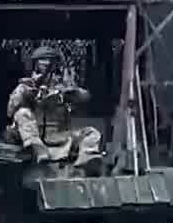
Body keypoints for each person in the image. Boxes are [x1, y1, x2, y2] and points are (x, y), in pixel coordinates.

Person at [7, 46, 104, 174]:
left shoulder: (62, 86)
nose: (47, 66)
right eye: (43, 62)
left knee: (91, 133)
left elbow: (86, 98)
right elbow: (10, 111)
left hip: (60, 139)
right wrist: (27, 91)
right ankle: (38, 150)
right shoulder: (26, 86)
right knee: (22, 113)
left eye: (50, 62)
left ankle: (87, 160)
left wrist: (72, 93)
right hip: (31, 138)